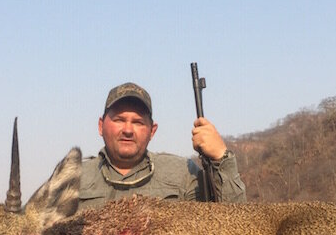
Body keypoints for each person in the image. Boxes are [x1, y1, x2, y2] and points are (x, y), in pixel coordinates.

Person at [79, 82, 246, 210]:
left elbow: (234, 225)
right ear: (101, 126)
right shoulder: (75, 177)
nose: (128, 130)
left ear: (152, 131)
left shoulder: (183, 173)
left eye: (138, 122)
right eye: (119, 120)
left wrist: (221, 159)